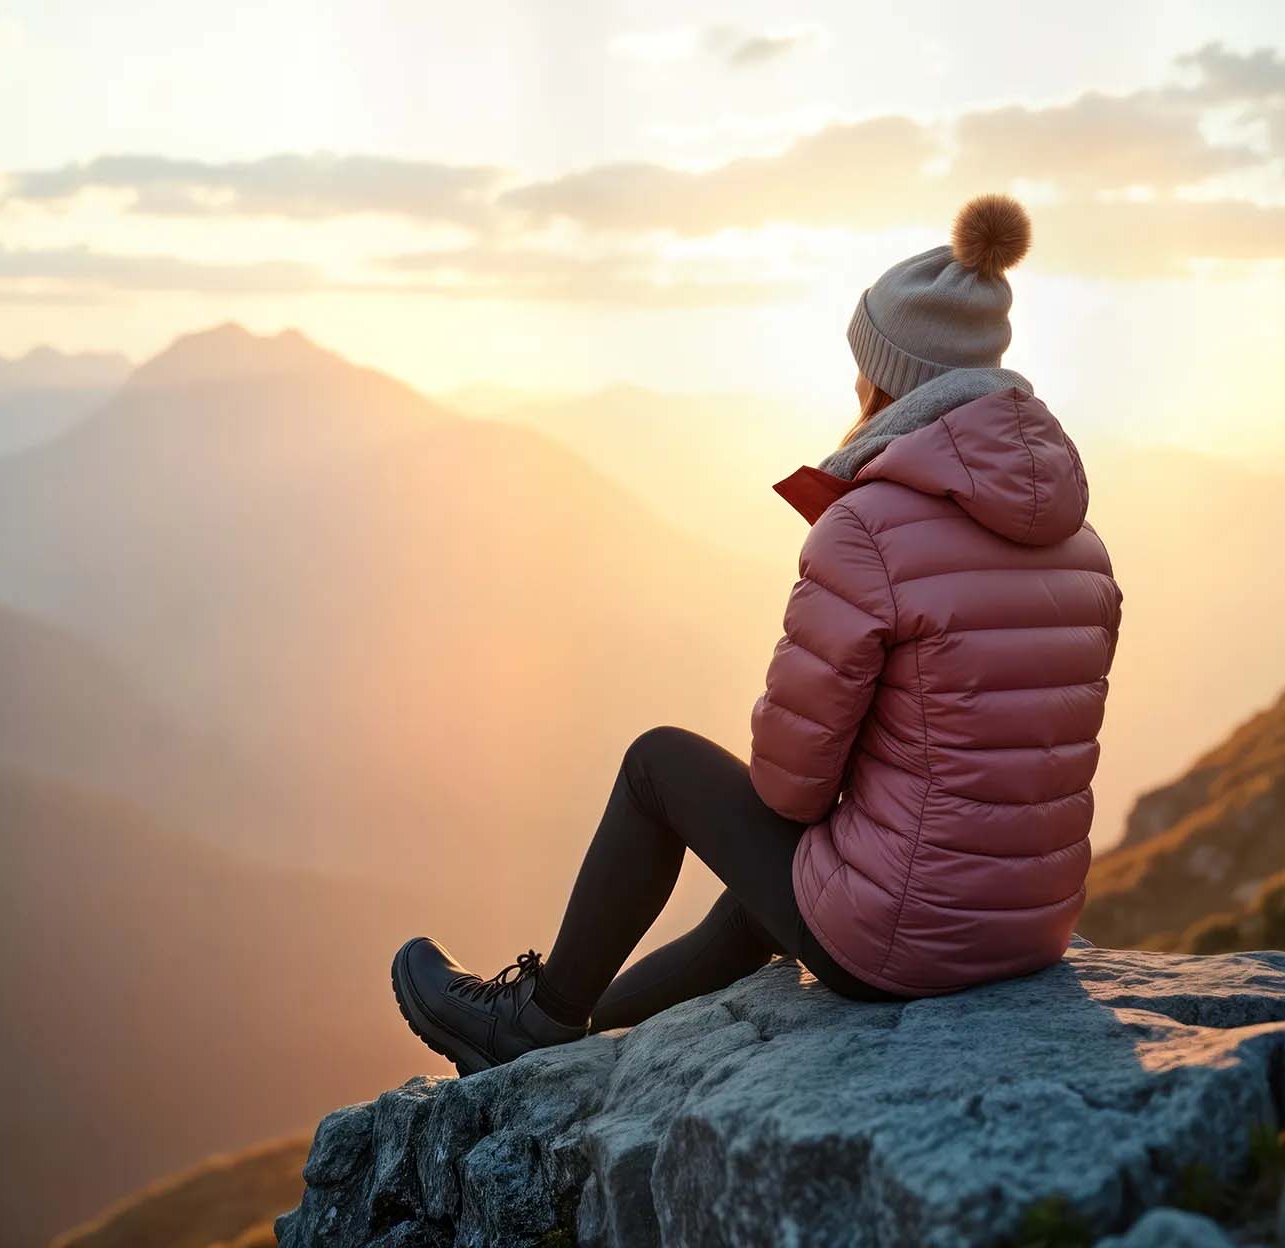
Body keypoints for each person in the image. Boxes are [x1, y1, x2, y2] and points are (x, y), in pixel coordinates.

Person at [391, 194, 1122, 1075]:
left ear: (889, 380)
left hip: (910, 943)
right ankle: (572, 1046)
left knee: (660, 763)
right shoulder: (1080, 544)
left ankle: (534, 1022)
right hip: (1032, 924)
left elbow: (787, 787)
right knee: (772, 898)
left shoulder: (870, 529)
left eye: (864, 366)